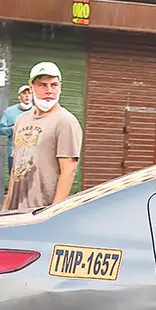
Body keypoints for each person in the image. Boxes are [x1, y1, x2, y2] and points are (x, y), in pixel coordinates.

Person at [3, 62, 83, 211]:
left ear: (60, 87)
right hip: (16, 211)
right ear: (31, 87)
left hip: (41, 212)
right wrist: (6, 208)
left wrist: (52, 213)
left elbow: (69, 171)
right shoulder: (22, 120)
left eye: (54, 85)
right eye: (42, 85)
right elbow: (16, 169)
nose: (49, 91)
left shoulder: (65, 121)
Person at [2, 85, 32, 173]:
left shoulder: (37, 111)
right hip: (14, 154)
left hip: (32, 155)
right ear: (19, 96)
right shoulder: (9, 112)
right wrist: (11, 129)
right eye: (24, 93)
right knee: (14, 181)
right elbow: (1, 129)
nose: (27, 96)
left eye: (29, 93)